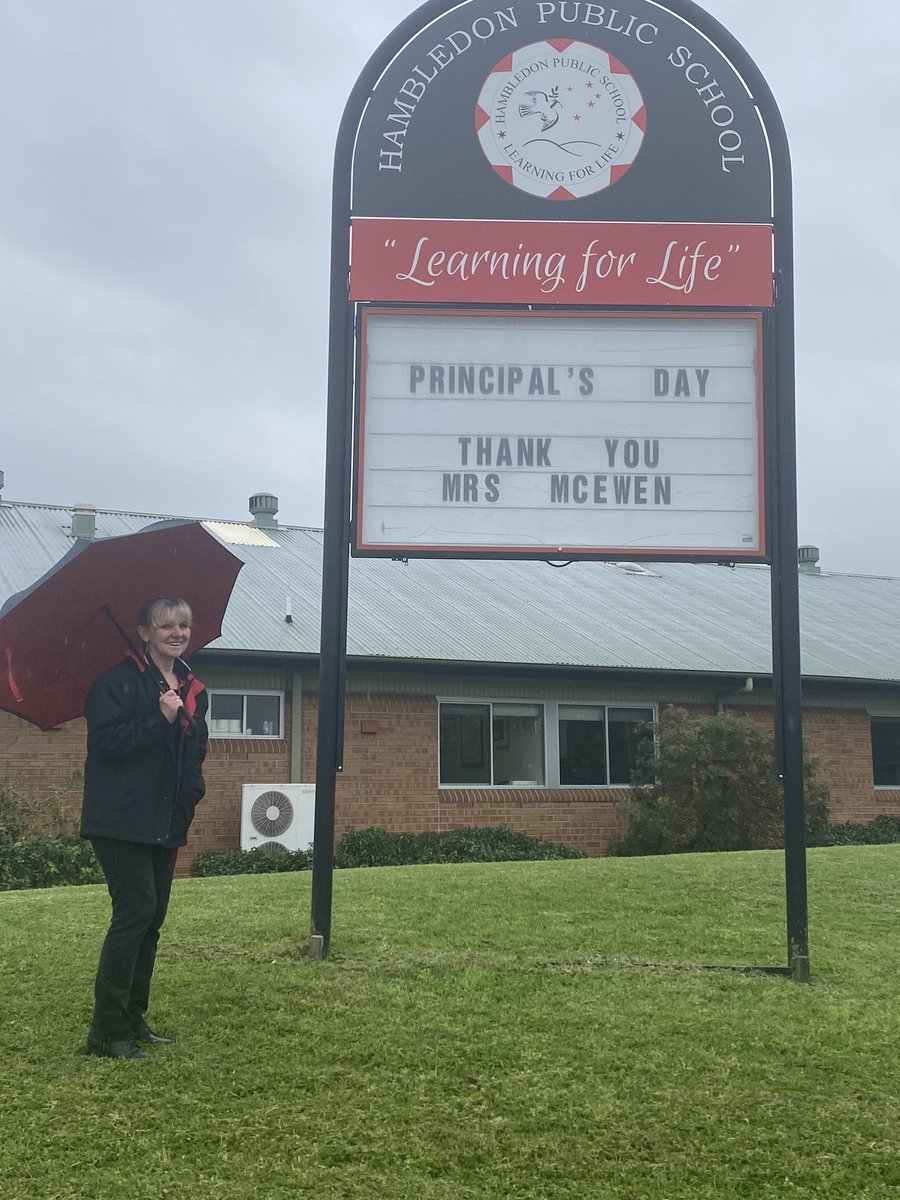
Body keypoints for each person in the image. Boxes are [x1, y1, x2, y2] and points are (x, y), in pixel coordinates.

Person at [81, 597, 208, 1060]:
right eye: (165, 625)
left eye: (183, 625)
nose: (176, 633)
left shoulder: (192, 687)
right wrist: (159, 718)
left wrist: (192, 794)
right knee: (134, 912)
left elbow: (194, 752)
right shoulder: (115, 683)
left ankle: (133, 1019)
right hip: (119, 820)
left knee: (151, 920)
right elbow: (106, 747)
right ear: (143, 631)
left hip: (165, 819)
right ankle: (106, 1032)